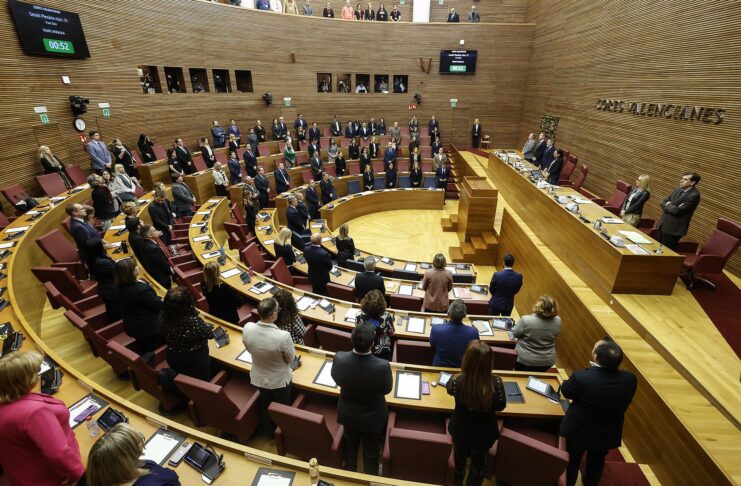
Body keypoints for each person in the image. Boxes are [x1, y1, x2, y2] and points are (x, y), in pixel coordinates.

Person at [0, 351, 85, 486]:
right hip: (50, 478)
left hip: (20, 475)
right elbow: (59, 454)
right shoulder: (34, 412)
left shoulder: (6, 402)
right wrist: (84, 478)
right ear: (27, 380)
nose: (39, 376)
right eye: (36, 372)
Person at [560, 339, 637, 486]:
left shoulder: (582, 377)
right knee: (597, 461)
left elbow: (566, 391)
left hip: (579, 431)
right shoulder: (630, 379)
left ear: (595, 357)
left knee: (573, 461)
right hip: (607, 432)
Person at [331, 322, 392, 474]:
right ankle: (370, 476)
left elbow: (336, 378)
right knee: (371, 450)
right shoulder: (382, 366)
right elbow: (387, 389)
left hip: (348, 413)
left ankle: (349, 474)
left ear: (351, 340)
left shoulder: (339, 358)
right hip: (373, 417)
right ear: (372, 344)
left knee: (350, 446)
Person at [446, 341, 507, 486]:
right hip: (484, 436)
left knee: (459, 464)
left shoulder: (456, 381)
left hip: (461, 432)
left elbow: (449, 390)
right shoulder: (497, 383)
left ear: (466, 360)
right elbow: (501, 406)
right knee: (478, 468)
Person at [242, 298, 296, 436]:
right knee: (281, 410)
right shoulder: (283, 336)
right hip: (280, 381)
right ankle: (282, 435)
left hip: (259, 377)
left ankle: (270, 434)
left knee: (265, 406)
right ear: (273, 314)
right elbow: (290, 359)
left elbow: (248, 349)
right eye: (278, 310)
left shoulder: (248, 327)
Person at [86, 422, 180, 486]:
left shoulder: (99, 475)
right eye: (139, 440)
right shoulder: (156, 478)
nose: (142, 438)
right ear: (126, 458)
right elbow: (172, 477)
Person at [161, 286, 214, 381]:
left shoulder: (163, 318)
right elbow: (210, 335)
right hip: (195, 360)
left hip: (173, 357)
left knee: (183, 379)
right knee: (200, 382)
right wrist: (201, 323)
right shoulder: (193, 322)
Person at [116, 258, 164, 354]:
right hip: (149, 328)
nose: (138, 267)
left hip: (132, 324)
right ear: (131, 272)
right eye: (135, 266)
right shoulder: (141, 290)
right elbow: (159, 306)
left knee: (143, 346)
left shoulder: (119, 286)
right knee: (154, 350)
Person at [512, 295, 561, 372]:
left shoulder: (526, 320)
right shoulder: (558, 320)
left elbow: (515, 334)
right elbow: (556, 335)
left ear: (538, 306)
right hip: (546, 361)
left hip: (524, 360)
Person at [657, 172, 701, 250]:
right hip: (663, 224)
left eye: (685, 179)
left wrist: (668, 204)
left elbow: (677, 211)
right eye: (682, 178)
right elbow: (663, 202)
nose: (681, 181)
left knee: (667, 252)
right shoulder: (677, 190)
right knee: (657, 249)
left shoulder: (694, 195)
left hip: (674, 229)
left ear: (692, 182)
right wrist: (670, 206)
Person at [429, 299, 479, 367]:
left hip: (440, 367)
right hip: (462, 368)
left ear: (448, 313)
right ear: (464, 316)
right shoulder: (473, 332)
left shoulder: (436, 329)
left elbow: (433, 346)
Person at [355, 290, 395, 360]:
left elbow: (357, 330)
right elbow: (391, 333)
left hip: (364, 348)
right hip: (382, 351)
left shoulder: (358, 316)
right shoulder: (387, 317)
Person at [88, 238, 121, 321]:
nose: (106, 245)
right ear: (99, 247)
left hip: (106, 288)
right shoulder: (103, 263)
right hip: (113, 291)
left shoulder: (92, 258)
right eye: (103, 244)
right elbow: (119, 272)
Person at [201, 261, 241, 326]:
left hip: (214, 315)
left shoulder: (203, 284)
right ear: (217, 273)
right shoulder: (224, 288)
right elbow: (239, 302)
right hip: (229, 318)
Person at [67, 202, 101, 268]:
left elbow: (93, 234)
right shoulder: (78, 227)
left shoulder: (81, 221)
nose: (85, 210)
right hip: (94, 259)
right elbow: (87, 245)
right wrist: (103, 246)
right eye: (82, 209)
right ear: (75, 213)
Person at [139, 224, 173, 289]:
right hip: (162, 277)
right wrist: (171, 271)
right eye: (154, 231)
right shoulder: (153, 249)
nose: (157, 231)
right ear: (149, 235)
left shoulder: (145, 243)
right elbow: (162, 264)